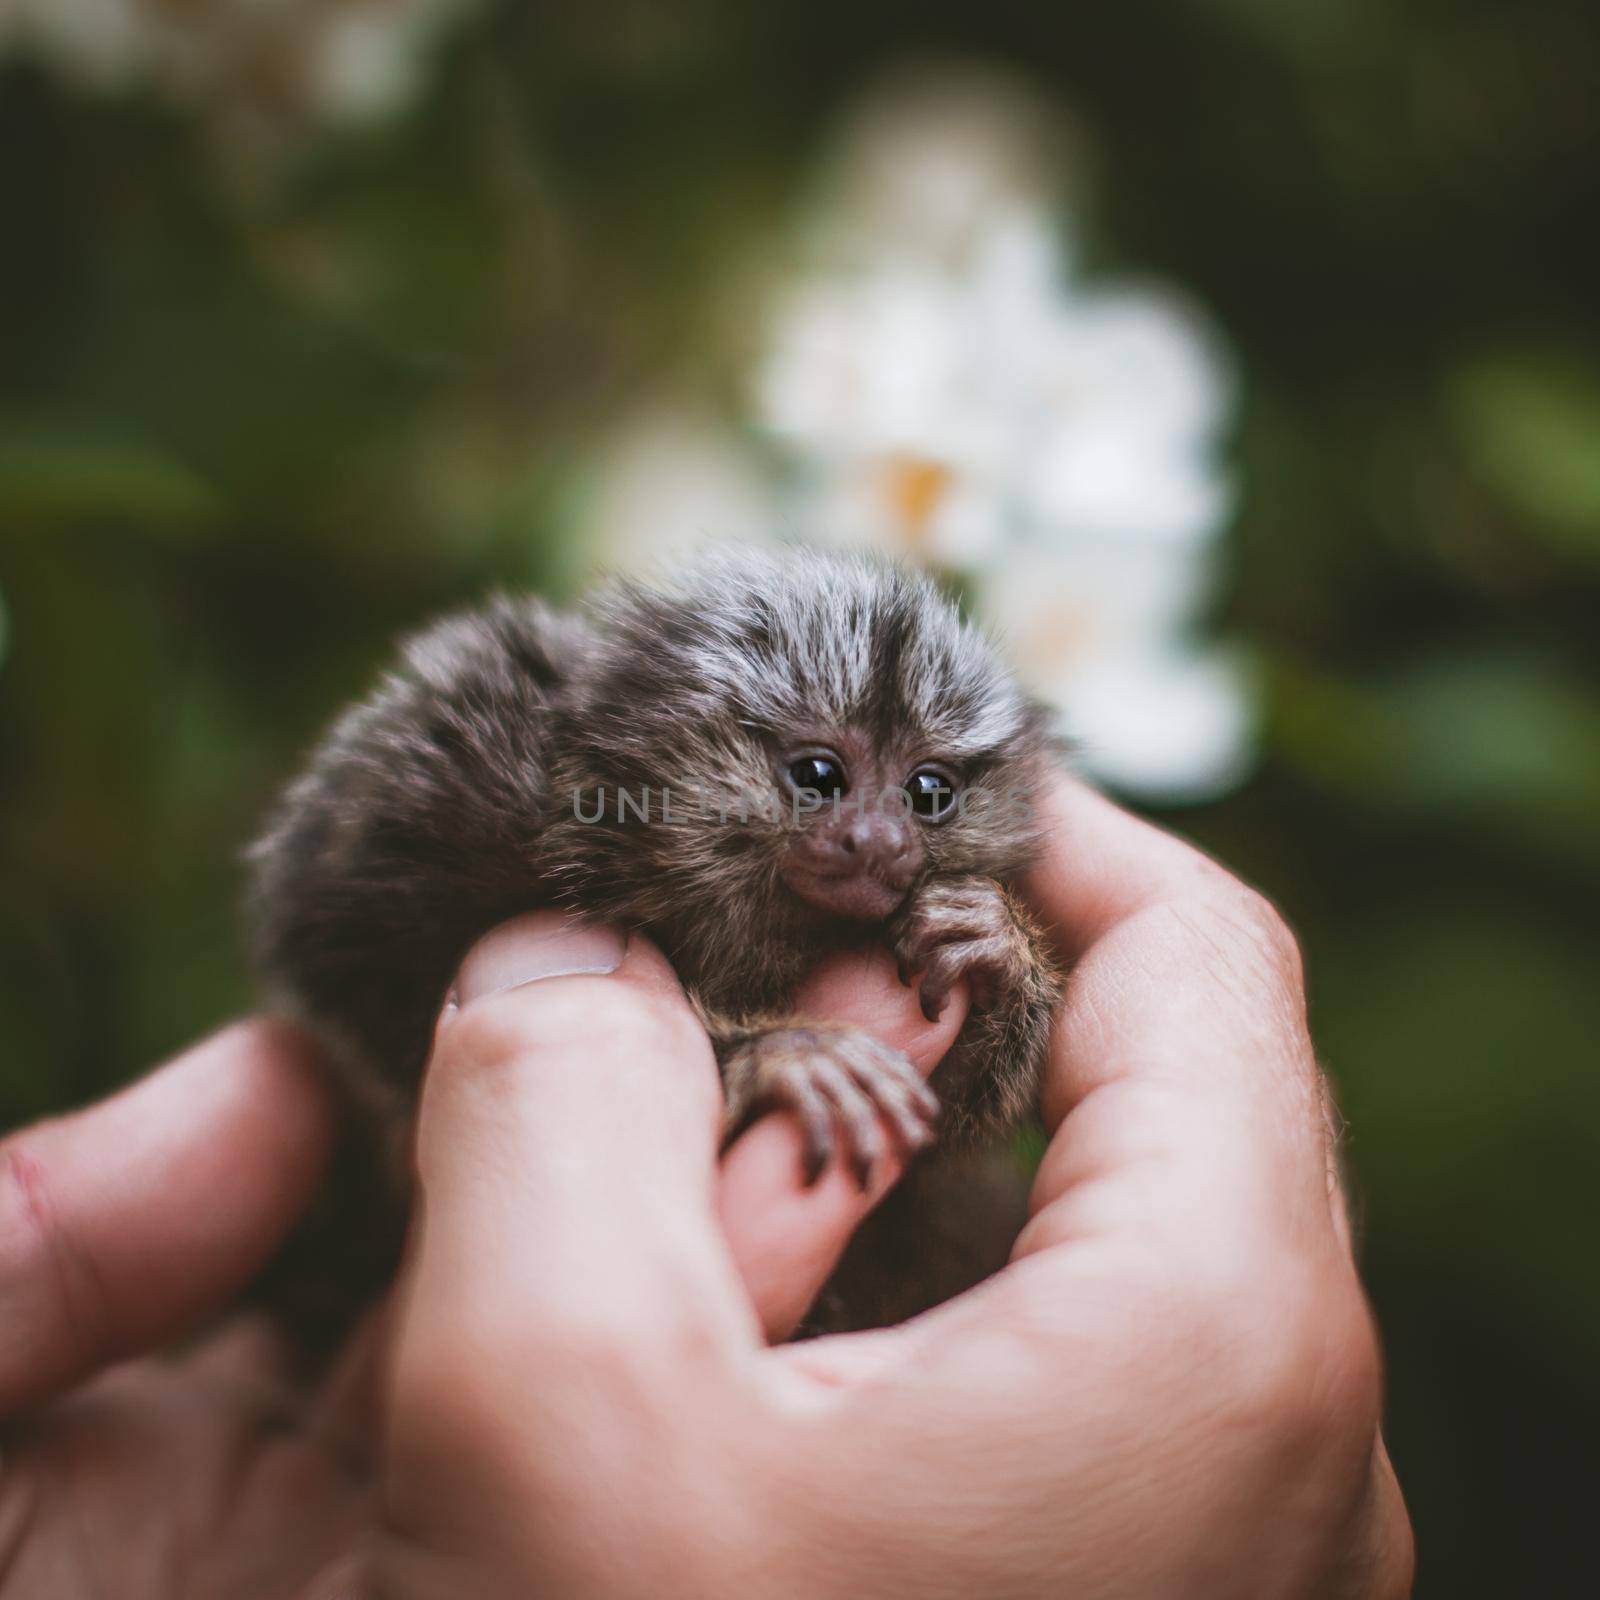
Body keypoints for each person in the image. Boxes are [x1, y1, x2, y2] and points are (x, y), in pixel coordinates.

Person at [0, 777, 1413, 1597]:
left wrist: (1007, 977)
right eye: (813, 776)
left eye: (917, 796)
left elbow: (957, 1117)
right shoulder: (555, 920)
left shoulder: (927, 951)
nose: (869, 834)